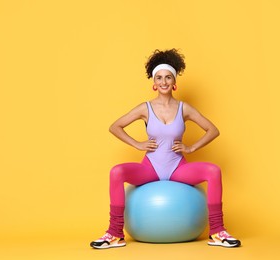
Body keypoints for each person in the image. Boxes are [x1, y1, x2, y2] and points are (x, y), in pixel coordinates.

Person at [90, 49, 241, 249]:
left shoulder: (184, 108)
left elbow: (213, 130)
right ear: (154, 82)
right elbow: (114, 126)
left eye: (168, 77)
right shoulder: (145, 108)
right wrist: (137, 144)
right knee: (117, 172)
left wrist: (191, 147)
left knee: (213, 171)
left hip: (177, 167)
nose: (163, 82)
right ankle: (114, 233)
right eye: (159, 78)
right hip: (150, 167)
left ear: (174, 82)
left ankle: (217, 232)